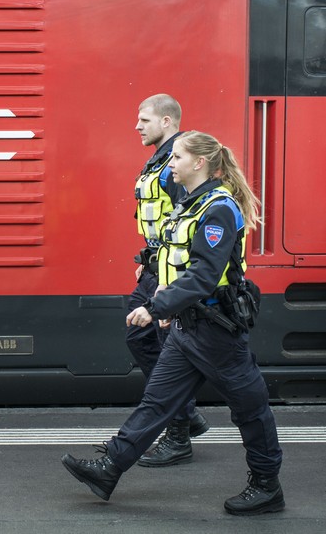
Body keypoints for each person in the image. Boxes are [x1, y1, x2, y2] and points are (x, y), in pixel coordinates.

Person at [61, 131, 284, 516]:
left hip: (216, 330)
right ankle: (109, 468)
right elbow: (177, 256)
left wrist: (154, 307)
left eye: (177, 157)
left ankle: (266, 486)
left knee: (250, 407)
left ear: (199, 163)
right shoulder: (190, 204)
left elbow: (203, 276)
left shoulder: (218, 208)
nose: (171, 163)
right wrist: (152, 274)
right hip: (187, 325)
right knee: (157, 402)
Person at [129, 94, 208, 467]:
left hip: (167, 273)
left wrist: (169, 280)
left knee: (168, 352)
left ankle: (178, 435)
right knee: (140, 338)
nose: (138, 126)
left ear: (166, 121)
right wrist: (148, 259)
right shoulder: (158, 160)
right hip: (153, 267)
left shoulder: (178, 166)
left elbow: (186, 225)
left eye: (145, 120)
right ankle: (187, 415)